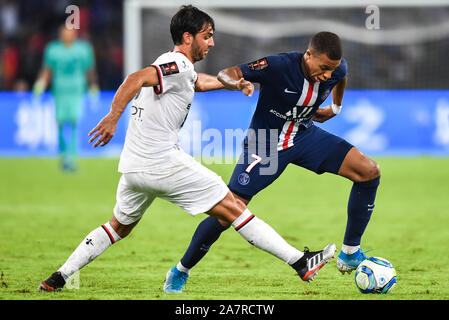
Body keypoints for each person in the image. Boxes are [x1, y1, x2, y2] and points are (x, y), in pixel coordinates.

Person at [38, 6, 336, 293]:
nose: (212, 42)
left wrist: (232, 84)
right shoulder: (177, 63)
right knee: (234, 207)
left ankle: (59, 276)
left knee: (117, 227)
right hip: (162, 162)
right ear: (188, 37)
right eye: (207, 35)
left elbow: (196, 83)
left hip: (133, 168)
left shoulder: (178, 68)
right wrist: (113, 116)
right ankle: (300, 262)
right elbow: (136, 78)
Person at [164, 31, 381, 293]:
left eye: (331, 69)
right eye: (323, 68)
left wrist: (335, 108)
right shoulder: (279, 66)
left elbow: (341, 76)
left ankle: (349, 253)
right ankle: (181, 270)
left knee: (369, 171)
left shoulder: (336, 68)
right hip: (264, 144)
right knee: (227, 211)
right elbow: (227, 72)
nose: (327, 75)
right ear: (308, 55)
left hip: (304, 135)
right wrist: (236, 84)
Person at [33, 25, 99, 172]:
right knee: (61, 123)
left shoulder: (83, 49)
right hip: (60, 91)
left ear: (75, 34)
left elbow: (89, 70)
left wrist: (93, 86)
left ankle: (71, 157)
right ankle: (63, 154)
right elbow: (47, 70)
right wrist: (41, 83)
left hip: (76, 91)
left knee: (74, 122)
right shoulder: (53, 49)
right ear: (60, 34)